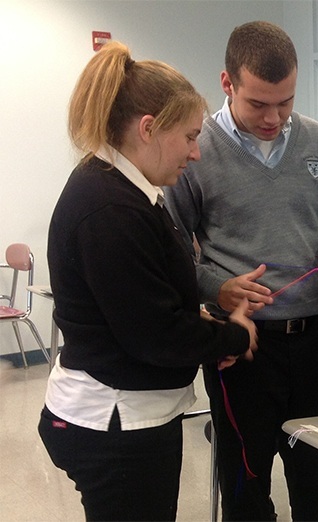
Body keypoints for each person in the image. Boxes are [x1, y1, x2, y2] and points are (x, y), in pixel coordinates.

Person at [38, 42, 257, 522]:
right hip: (115, 424)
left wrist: (195, 313)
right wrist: (233, 333)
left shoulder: (126, 187)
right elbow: (154, 335)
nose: (197, 153)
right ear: (149, 128)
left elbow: (142, 299)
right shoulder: (111, 208)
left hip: (125, 414)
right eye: (190, 137)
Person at [163, 21, 318, 521]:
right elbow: (174, 245)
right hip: (241, 346)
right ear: (227, 84)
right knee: (246, 481)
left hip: (314, 339)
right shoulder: (194, 148)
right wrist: (217, 288)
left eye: (285, 101)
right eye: (258, 104)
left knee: (312, 473)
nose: (274, 117)